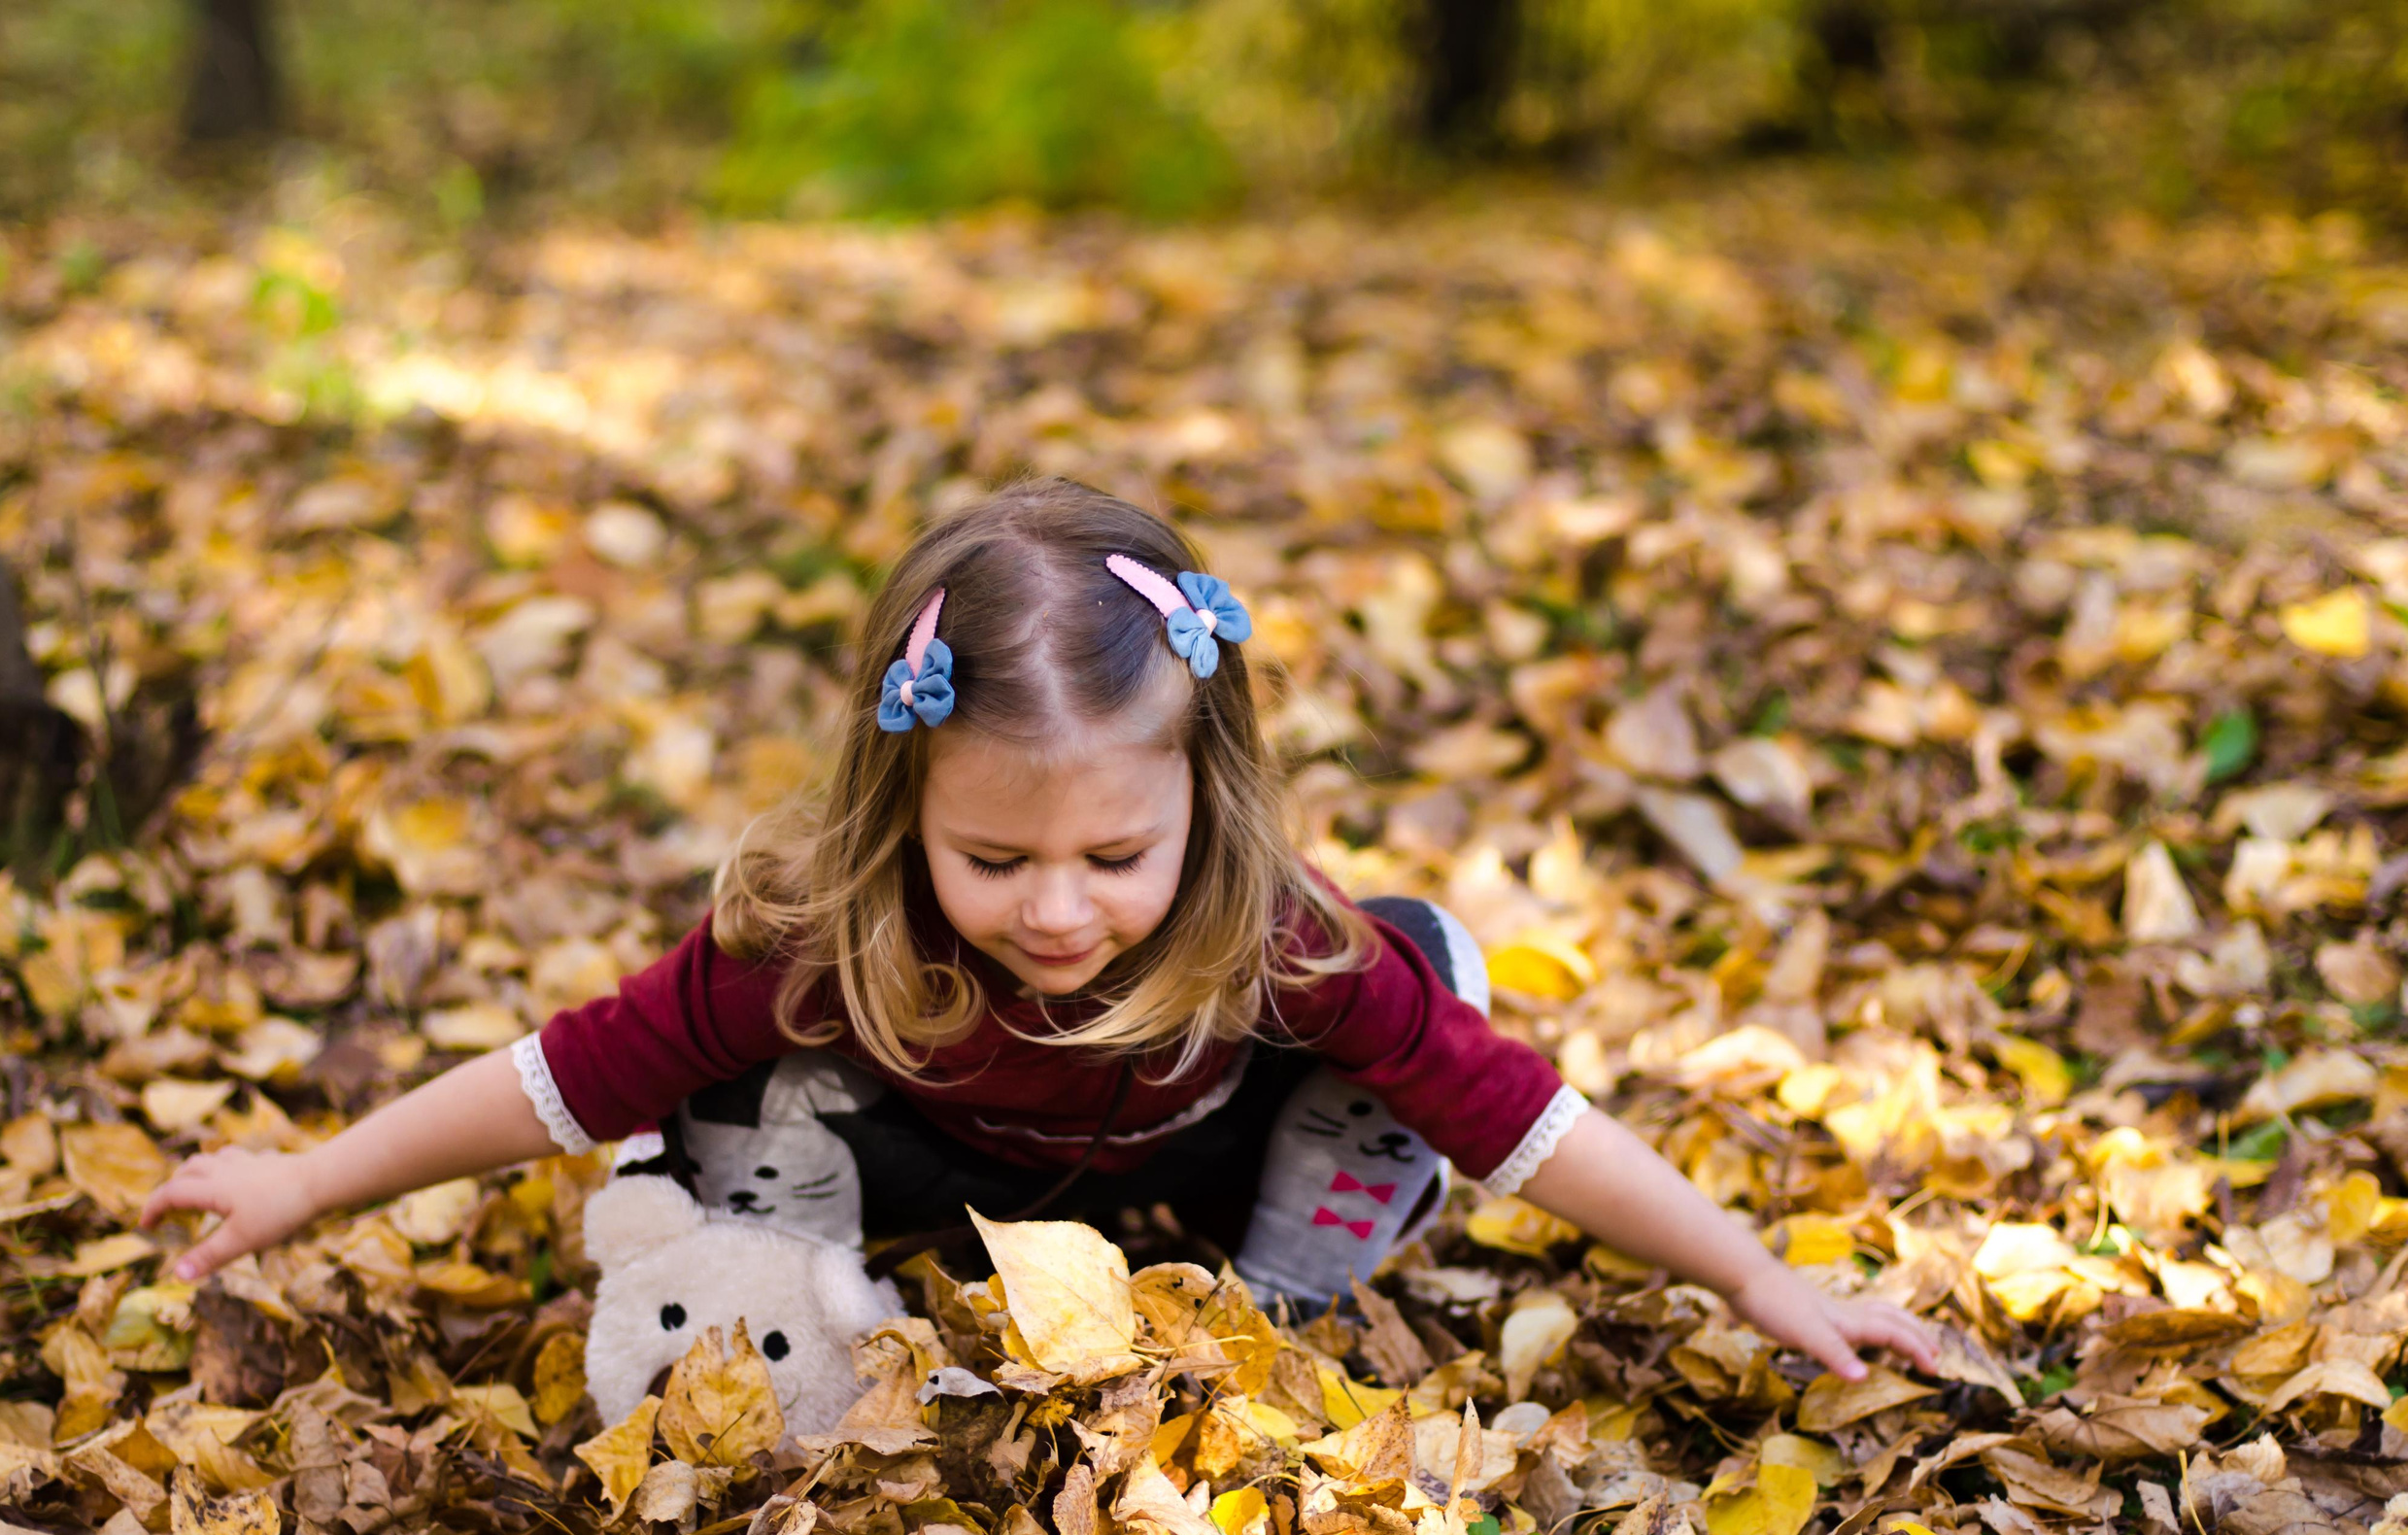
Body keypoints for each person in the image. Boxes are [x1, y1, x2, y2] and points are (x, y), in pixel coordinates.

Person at [143, 479, 1936, 1381]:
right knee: (712, 1076)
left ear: (1204, 801)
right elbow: (562, 1078)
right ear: (902, 806)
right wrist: (310, 1182)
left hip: (1197, 1162)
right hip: (935, 1164)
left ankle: (1289, 1286)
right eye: (994, 859)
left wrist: (1752, 1277)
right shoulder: (833, 936)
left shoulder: (1271, 934)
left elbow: (1523, 1120)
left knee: (1424, 976)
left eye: (1116, 853)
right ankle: (799, 1311)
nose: (1060, 910)